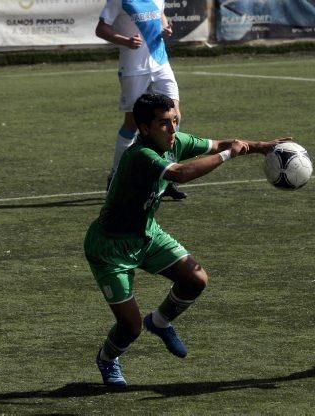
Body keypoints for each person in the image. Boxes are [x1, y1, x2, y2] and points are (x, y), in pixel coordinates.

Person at [84, 93, 287, 386]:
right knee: (129, 327)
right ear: (144, 128)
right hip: (110, 248)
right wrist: (228, 155)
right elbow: (179, 174)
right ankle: (107, 358)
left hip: (146, 233)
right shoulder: (139, 155)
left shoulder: (174, 142)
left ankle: (160, 321)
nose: (173, 129)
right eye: (164, 124)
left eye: (175, 121)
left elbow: (218, 143)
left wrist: (260, 147)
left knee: (196, 279)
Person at [95, 0, 188, 200]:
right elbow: (101, 29)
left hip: (161, 63)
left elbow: (161, 16)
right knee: (133, 123)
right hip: (134, 68)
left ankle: (166, 177)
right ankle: (116, 175)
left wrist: (166, 28)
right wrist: (125, 41)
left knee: (174, 116)